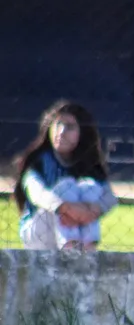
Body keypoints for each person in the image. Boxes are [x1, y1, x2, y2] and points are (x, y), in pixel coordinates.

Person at [13, 101, 117, 252]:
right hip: (38, 232)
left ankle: (88, 250)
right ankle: (71, 249)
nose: (61, 132)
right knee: (66, 186)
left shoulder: (88, 163)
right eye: (57, 125)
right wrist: (66, 208)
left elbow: (110, 197)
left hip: (79, 222)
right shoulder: (39, 161)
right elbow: (37, 194)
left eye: (69, 127)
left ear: (82, 132)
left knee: (90, 186)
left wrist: (93, 211)